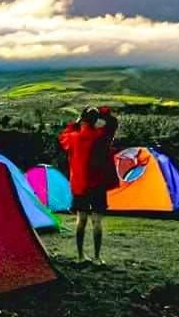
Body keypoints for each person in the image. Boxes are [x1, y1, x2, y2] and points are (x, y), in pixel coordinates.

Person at [59, 105, 118, 265]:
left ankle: (80, 256)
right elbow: (112, 123)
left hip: (80, 185)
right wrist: (102, 115)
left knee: (81, 220)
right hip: (98, 184)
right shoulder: (101, 136)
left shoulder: (72, 137)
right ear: (95, 121)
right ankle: (97, 258)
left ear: (82, 119)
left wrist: (77, 122)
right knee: (97, 221)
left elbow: (63, 135)